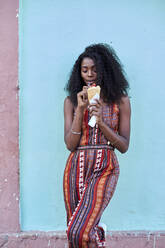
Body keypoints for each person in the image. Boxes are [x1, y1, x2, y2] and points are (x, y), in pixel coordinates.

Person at [63, 43, 131, 248]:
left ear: (105, 71)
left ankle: (99, 231)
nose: (90, 74)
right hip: (76, 168)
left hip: (105, 167)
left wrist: (101, 122)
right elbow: (70, 144)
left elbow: (124, 145)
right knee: (78, 237)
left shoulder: (121, 101)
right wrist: (80, 110)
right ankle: (96, 235)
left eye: (95, 69)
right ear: (79, 73)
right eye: (85, 70)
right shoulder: (71, 101)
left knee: (79, 230)